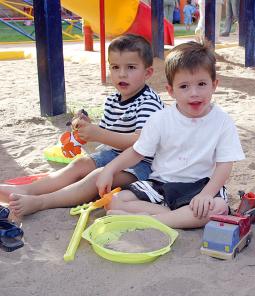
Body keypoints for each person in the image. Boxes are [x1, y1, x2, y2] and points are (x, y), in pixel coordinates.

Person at [0, 34, 164, 218]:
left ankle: (42, 201)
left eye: (131, 67)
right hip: (114, 155)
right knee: (80, 164)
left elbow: (140, 143)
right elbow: (108, 134)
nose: (122, 74)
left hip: (141, 165)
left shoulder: (148, 102)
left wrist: (99, 134)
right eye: (115, 67)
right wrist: (88, 128)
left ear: (147, 73)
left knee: (96, 177)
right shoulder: (112, 100)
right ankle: (28, 190)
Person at [96, 40, 245, 229]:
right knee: (115, 200)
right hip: (161, 184)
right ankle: (173, 217)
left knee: (218, 207)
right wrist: (109, 170)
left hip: (200, 187)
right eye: (184, 86)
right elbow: (137, 152)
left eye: (201, 84)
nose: (194, 93)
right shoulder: (160, 119)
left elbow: (225, 165)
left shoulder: (222, 121)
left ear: (214, 85)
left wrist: (207, 194)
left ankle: (148, 220)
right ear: (170, 90)